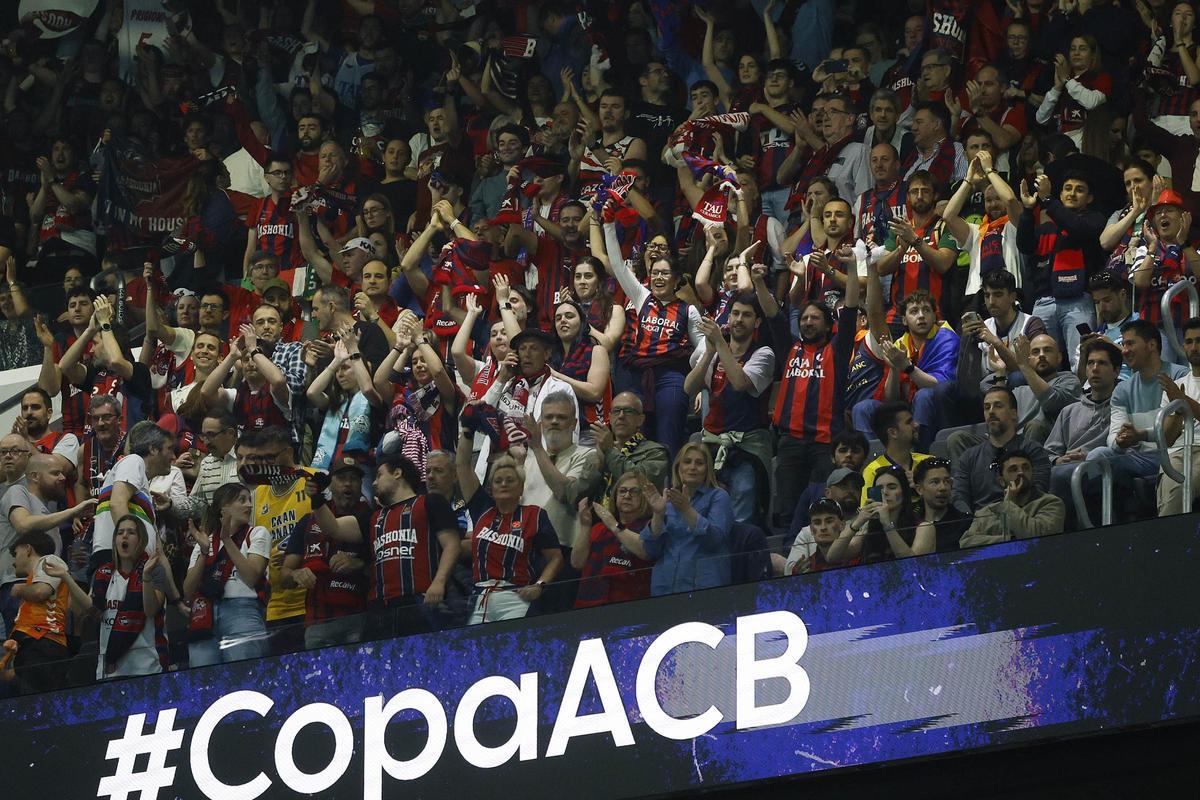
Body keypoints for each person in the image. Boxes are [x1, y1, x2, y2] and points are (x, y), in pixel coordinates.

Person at [306, 453, 460, 640]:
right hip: (379, 608)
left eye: (379, 475)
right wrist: (317, 499)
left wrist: (439, 583)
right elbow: (334, 527)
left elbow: (452, 545)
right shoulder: (373, 517)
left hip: (419, 601)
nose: (373, 483)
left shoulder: (430, 502)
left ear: (397, 473)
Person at [602, 220, 702, 458]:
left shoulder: (689, 310)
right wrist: (607, 224)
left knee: (669, 439)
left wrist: (700, 385)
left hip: (672, 377)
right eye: (655, 272)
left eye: (665, 273)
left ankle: (668, 490)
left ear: (676, 280)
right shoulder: (642, 297)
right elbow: (617, 264)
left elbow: (703, 348)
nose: (658, 277)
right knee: (633, 440)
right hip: (637, 377)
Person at [45, 515, 184, 679]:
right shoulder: (103, 573)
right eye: (120, 532)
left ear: (141, 540)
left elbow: (151, 610)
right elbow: (92, 610)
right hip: (111, 670)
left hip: (148, 668)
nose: (124, 536)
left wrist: (145, 576)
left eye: (131, 532)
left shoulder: (155, 570)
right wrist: (66, 577)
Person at [686, 295, 776, 523]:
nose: (738, 320)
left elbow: (739, 383)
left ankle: (737, 544)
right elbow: (689, 387)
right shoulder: (715, 353)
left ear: (757, 322)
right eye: (735, 313)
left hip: (746, 444)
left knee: (744, 488)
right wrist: (708, 352)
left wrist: (719, 344)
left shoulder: (763, 354)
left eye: (746, 315)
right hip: (711, 441)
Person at [455, 452, 564, 624]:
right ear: (491, 489)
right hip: (480, 596)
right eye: (498, 481)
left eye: (510, 480)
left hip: (516, 596)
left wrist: (540, 585)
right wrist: (468, 431)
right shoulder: (482, 511)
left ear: (521, 487)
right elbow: (462, 464)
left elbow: (556, 558)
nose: (504, 484)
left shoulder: (534, 515)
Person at [1085, 319, 1188, 496]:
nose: (1124, 350)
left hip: (1176, 454)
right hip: (1142, 458)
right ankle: (1104, 521)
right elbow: (1114, 437)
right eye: (1123, 344)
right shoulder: (1122, 389)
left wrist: (1140, 434)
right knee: (1098, 455)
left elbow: (1181, 430)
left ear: (1152, 345)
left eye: (1130, 343)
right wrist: (1121, 440)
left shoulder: (1180, 375)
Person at [1016, 172, 1105, 368]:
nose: (1072, 193)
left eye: (1079, 190)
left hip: (1078, 301)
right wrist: (1028, 210)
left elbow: (1077, 228)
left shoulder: (1094, 220)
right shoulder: (1048, 226)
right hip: (1044, 302)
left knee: (1080, 361)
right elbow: (1025, 245)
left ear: (1089, 198)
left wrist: (1048, 200)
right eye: (1067, 188)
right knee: (1041, 364)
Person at [521, 391, 600, 611]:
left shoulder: (587, 455)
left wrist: (537, 448)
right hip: (524, 552)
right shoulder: (527, 457)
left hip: (563, 553)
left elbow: (565, 492)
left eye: (561, 417)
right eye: (548, 417)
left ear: (574, 422)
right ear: (540, 422)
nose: (554, 421)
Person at [182, 483, 270, 666]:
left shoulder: (257, 533)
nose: (249, 505)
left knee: (245, 675)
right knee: (204, 682)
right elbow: (188, 592)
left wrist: (227, 540)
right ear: (224, 508)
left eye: (250, 500)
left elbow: (252, 576)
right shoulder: (204, 542)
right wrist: (204, 552)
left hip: (242, 610)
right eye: (242, 500)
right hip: (203, 614)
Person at [640, 442, 733, 596]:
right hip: (665, 588)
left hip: (704, 589)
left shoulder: (719, 496)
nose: (692, 467)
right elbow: (651, 551)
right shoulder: (667, 501)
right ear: (678, 467)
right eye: (687, 462)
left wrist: (686, 510)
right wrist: (658, 514)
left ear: (707, 469)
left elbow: (714, 540)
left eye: (699, 463)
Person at [953, 387, 1053, 514]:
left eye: (998, 406)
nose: (991, 412)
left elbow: (1039, 492)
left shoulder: (1033, 451)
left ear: (1014, 413)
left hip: (1022, 518)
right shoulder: (969, 457)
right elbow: (959, 497)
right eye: (986, 407)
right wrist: (969, 522)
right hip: (981, 524)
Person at [1045, 340, 1122, 505]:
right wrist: (1057, 461)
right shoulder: (1069, 411)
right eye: (1090, 363)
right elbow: (1048, 452)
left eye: (1102, 363)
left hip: (1104, 470)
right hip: (1066, 470)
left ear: (1116, 371)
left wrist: (1089, 457)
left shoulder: (1123, 407)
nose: (1095, 368)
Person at [92, 423, 174, 579]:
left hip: (136, 564)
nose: (173, 456)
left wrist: (176, 600)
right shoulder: (133, 461)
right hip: (119, 560)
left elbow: (159, 551)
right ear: (153, 449)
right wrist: (134, 554)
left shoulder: (144, 495)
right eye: (169, 449)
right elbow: (117, 504)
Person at [572, 470, 654, 609]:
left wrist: (612, 524)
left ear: (644, 497)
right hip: (588, 605)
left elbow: (645, 551)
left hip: (629, 606)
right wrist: (585, 526)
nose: (627, 495)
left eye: (634, 491)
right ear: (615, 496)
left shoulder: (648, 526)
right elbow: (576, 563)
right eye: (622, 491)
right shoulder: (598, 528)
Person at [6, 531, 71, 694]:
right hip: (32, 644)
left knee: (35, 700)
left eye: (16, 553)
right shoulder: (33, 578)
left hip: (43, 642)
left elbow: (41, 591)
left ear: (28, 549)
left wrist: (18, 588)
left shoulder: (49, 561)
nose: (14, 562)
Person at [827, 465, 931, 563]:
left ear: (904, 493)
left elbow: (913, 564)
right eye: (880, 488)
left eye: (892, 487)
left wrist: (887, 525)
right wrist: (858, 521)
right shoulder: (870, 529)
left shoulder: (924, 527)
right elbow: (833, 557)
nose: (885, 492)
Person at [959, 451, 1066, 547]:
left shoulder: (1050, 503)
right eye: (1013, 469)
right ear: (1001, 481)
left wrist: (1009, 505)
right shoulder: (987, 511)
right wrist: (1011, 539)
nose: (1021, 472)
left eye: (1026, 468)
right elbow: (966, 542)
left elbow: (1039, 539)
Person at [1157, 317, 1200, 515]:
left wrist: (1183, 401)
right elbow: (1166, 438)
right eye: (1189, 342)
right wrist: (1178, 409)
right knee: (1173, 485)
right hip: (1177, 451)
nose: (1194, 347)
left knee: (1182, 487)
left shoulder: (1177, 390)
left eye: (1199, 341)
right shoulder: (1177, 384)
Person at [593, 391, 671, 494]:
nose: (621, 416)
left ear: (640, 420)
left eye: (628, 411)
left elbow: (637, 483)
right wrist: (596, 465)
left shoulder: (656, 452)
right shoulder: (601, 450)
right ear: (610, 419)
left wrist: (610, 451)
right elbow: (579, 494)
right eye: (616, 411)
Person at [169, 410, 240, 521]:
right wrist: (170, 505)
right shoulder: (207, 463)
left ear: (230, 433)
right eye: (203, 436)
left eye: (211, 435)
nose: (206, 442)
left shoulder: (248, 458)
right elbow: (197, 504)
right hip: (217, 535)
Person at [863, 401, 930, 498]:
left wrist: (922, 486)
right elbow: (871, 511)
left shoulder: (928, 463)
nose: (916, 425)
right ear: (893, 432)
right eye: (909, 422)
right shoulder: (874, 471)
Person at [913, 457, 970, 552]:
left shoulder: (966, 524)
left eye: (947, 481)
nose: (943, 487)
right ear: (919, 489)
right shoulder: (910, 525)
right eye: (935, 482)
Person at [785, 498, 849, 574]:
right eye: (817, 523)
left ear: (842, 525)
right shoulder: (805, 568)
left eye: (829, 521)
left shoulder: (855, 558)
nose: (823, 527)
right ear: (811, 529)